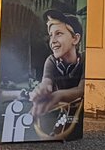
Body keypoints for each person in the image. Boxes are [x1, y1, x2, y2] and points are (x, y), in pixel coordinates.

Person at [27, 10, 85, 139]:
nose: (52, 40)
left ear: (75, 39)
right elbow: (46, 82)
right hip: (61, 112)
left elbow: (81, 90)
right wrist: (40, 92)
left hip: (77, 113)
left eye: (58, 34)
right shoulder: (51, 60)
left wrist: (57, 95)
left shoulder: (84, 60)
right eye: (50, 35)